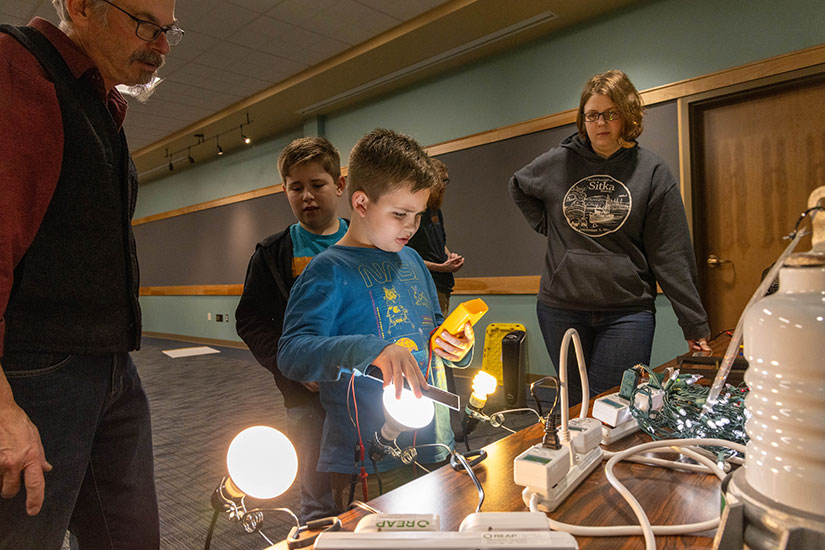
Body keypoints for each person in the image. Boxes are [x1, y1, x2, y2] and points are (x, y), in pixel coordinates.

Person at [0, 0, 180, 547]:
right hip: (35, 374)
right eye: (145, 24)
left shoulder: (98, 101)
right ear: (80, 6)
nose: (161, 45)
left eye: (168, 30)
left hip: (111, 368)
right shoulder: (18, 66)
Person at [277, 128, 475, 513]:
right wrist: (372, 349)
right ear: (361, 203)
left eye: (418, 215)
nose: (411, 227)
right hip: (368, 458)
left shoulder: (414, 260)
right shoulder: (327, 271)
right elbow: (292, 353)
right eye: (399, 214)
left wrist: (455, 345)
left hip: (434, 442)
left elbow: (433, 331)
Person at [509, 70, 711, 405]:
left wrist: (694, 323)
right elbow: (518, 185)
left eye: (610, 114)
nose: (600, 123)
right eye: (592, 115)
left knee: (613, 406)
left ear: (628, 116)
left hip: (627, 313)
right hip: (561, 308)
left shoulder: (652, 171)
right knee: (574, 407)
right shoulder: (558, 161)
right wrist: (549, 224)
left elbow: (670, 252)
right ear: (582, 118)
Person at [235, 136, 346, 522]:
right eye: (296, 188)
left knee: (372, 483)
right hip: (305, 397)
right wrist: (290, 365)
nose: (307, 196)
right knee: (317, 494)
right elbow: (250, 321)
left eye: (317, 184)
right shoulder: (272, 254)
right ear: (285, 190)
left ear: (339, 185)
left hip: (364, 391)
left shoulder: (368, 243)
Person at [407, 158, 464, 316]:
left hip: (443, 284)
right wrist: (440, 267)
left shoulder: (435, 210)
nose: (444, 186)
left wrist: (450, 257)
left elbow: (441, 243)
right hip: (426, 286)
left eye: (446, 181)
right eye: (442, 181)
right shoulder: (414, 213)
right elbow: (407, 256)